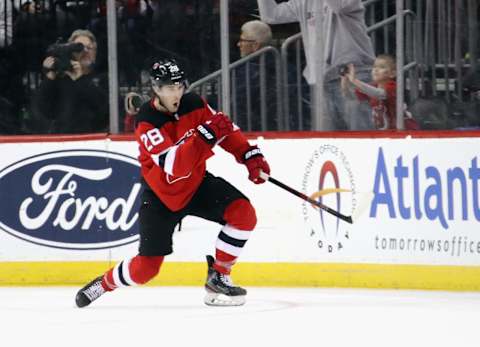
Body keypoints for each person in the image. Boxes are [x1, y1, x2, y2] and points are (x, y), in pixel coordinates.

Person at [75, 58, 271, 308]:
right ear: (156, 89)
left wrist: (248, 155)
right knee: (145, 270)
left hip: (197, 185)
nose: (176, 92)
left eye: (179, 86)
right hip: (161, 197)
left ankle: (219, 276)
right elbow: (175, 167)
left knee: (243, 214)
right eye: (169, 88)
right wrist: (205, 136)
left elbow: (224, 130)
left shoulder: (194, 103)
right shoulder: (147, 122)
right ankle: (103, 284)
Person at [256, 0, 376, 130]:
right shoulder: (303, 3)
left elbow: (339, 7)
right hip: (321, 81)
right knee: (328, 143)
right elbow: (271, 16)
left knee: (362, 134)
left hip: (353, 76)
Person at [30, 29, 109, 133]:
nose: (85, 51)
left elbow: (105, 110)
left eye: (89, 48)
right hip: (63, 140)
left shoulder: (104, 78)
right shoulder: (61, 78)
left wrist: (81, 79)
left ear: (95, 52)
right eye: (79, 48)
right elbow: (43, 110)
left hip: (94, 139)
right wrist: (49, 78)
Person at [341, 54, 419, 130]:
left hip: (405, 130)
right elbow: (350, 97)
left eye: (382, 67)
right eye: (374, 66)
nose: (376, 70)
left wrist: (354, 80)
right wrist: (344, 80)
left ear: (392, 74)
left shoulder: (392, 86)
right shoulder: (373, 87)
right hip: (386, 130)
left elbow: (379, 94)